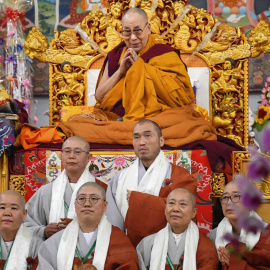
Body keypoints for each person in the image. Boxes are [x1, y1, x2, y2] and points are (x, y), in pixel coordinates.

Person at [106, 119, 197, 246]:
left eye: (147, 136)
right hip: (126, 247)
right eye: (136, 137)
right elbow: (112, 219)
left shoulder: (179, 176)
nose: (142, 142)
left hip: (167, 246)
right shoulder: (119, 178)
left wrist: (137, 200)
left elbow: (184, 211)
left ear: (161, 141)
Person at [95, 7, 194, 121]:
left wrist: (139, 66)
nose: (132, 38)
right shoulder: (117, 55)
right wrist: (120, 71)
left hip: (157, 117)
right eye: (127, 32)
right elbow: (99, 97)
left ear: (148, 29)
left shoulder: (165, 54)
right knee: (78, 126)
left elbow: (182, 98)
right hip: (115, 118)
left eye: (138, 31)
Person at [37, 182, 139, 269]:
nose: (87, 204)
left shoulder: (119, 241)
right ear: (75, 205)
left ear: (105, 206)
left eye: (94, 198)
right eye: (81, 199)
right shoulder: (54, 243)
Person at [25, 136, 107, 240]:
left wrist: (79, 227)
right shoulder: (46, 192)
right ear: (61, 155)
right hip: (53, 252)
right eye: (67, 151)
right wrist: (43, 231)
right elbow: (24, 223)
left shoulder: (102, 190)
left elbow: (111, 226)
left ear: (89, 158)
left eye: (77, 152)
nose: (71, 156)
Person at [137, 188, 219, 269]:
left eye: (182, 204)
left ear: (194, 212)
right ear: (165, 210)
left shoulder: (204, 245)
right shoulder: (148, 243)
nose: (175, 209)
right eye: (171, 203)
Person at [208, 180, 270, 269]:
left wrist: (234, 264)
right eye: (225, 197)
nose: (229, 203)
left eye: (236, 196)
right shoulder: (213, 236)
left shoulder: (267, 235)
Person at [0, 190, 43, 269]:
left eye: (14, 208)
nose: (7, 213)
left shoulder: (36, 245)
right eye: (2, 207)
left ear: (24, 214)